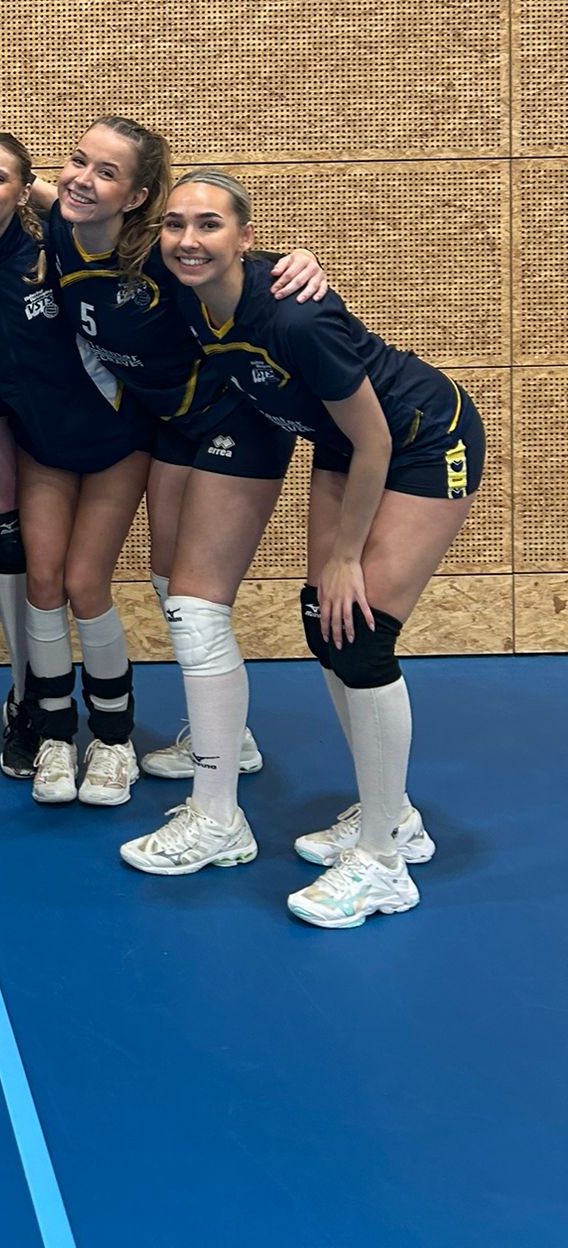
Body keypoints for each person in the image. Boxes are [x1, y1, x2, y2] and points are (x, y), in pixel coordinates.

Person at [156, 170, 483, 927]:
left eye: (209, 225)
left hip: (420, 441)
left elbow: (376, 440)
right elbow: (100, 216)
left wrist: (345, 556)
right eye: (175, 224)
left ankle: (383, 864)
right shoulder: (189, 288)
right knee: (325, 624)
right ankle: (394, 815)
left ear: (246, 238)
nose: (188, 240)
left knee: (361, 634)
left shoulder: (294, 320)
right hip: (342, 446)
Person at [38, 119, 323, 877]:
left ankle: (218, 814)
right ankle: (234, 739)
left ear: (136, 197)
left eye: (106, 173)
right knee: (168, 581)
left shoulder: (160, 255)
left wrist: (298, 261)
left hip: (238, 419)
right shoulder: (65, 224)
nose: (82, 178)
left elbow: (239, 264)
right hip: (175, 424)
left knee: (197, 607)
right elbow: (24, 186)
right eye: (77, 161)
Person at [0, 136, 153, 806]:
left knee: (86, 583)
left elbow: (128, 228)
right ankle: (55, 732)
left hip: (115, 440)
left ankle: (113, 739)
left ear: (24, 190)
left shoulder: (52, 247)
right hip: (41, 447)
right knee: (43, 582)